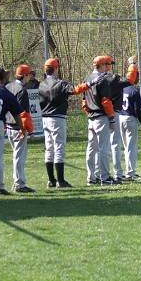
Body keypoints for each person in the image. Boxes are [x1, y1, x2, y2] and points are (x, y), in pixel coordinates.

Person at [39, 57, 102, 188]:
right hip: (57, 118)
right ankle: (61, 181)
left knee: (49, 149)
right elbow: (75, 90)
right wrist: (90, 84)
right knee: (59, 149)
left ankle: (51, 180)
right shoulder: (59, 83)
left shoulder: (41, 84)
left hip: (45, 118)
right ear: (55, 68)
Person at [103, 55, 138, 181]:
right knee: (114, 144)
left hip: (97, 115)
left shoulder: (92, 78)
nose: (110, 66)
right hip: (113, 112)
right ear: (105, 65)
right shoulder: (112, 78)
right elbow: (130, 79)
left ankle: (96, 175)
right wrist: (132, 65)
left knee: (98, 146)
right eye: (109, 64)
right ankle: (117, 173)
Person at [84, 56, 117, 185]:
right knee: (104, 148)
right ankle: (105, 177)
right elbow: (106, 101)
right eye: (106, 64)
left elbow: (83, 101)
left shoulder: (87, 79)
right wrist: (112, 118)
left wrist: (89, 113)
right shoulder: (102, 80)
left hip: (91, 117)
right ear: (102, 65)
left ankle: (91, 178)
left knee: (91, 149)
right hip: (101, 117)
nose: (107, 67)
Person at [6, 64, 36, 193]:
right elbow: (23, 114)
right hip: (18, 127)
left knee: (16, 155)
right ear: (24, 75)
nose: (30, 77)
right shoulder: (22, 90)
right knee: (19, 157)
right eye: (28, 75)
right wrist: (29, 130)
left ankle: (16, 182)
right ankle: (19, 184)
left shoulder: (8, 86)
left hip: (9, 125)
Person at [120, 83, 141, 180]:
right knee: (131, 147)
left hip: (120, 117)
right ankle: (130, 172)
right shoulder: (134, 91)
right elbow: (137, 110)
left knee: (126, 146)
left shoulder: (121, 89)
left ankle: (123, 172)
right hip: (130, 119)